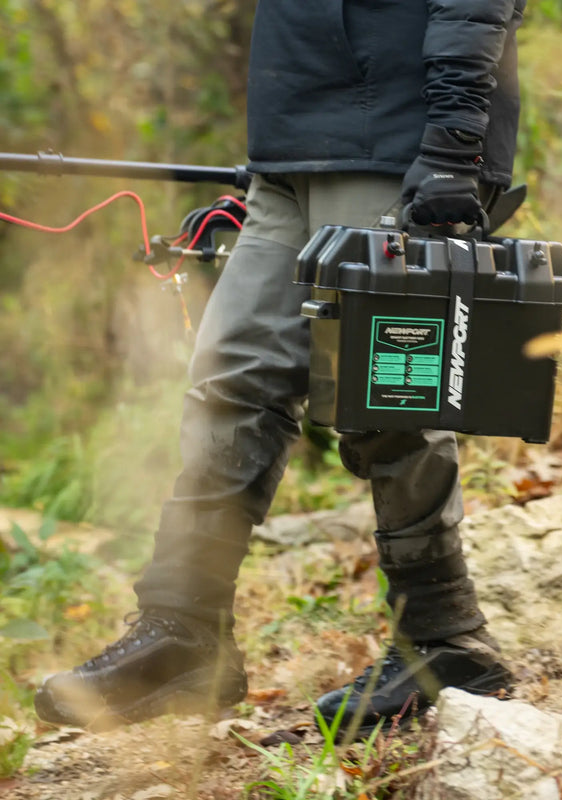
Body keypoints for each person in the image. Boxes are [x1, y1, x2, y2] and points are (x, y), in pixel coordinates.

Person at [35, 0, 527, 738]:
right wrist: (276, 161)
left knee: (386, 397)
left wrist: (455, 145)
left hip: (404, 139)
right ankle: (184, 633)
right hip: (292, 152)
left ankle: (443, 641)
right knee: (232, 380)